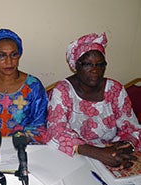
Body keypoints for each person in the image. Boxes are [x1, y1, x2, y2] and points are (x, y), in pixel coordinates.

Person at [47, 32, 141, 168]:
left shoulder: (115, 89)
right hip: (76, 155)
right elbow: (56, 131)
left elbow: (131, 127)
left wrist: (123, 147)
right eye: (88, 64)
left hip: (110, 152)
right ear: (76, 66)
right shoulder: (63, 90)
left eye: (100, 64)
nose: (95, 70)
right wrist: (98, 153)